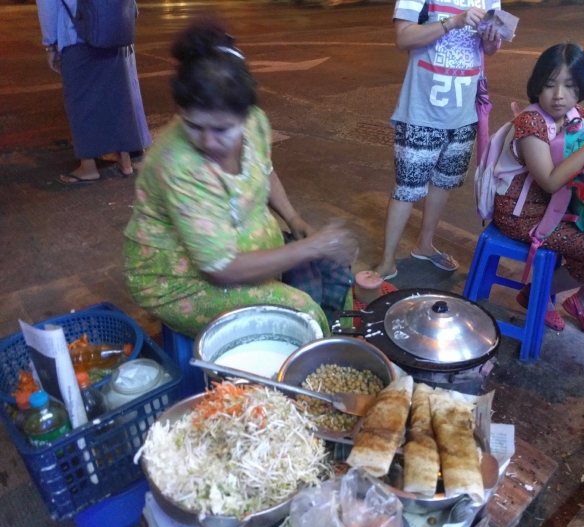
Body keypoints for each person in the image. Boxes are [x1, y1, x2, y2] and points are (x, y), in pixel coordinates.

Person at [122, 20, 358, 338]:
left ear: (246, 115)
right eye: (193, 125)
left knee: (333, 274)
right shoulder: (179, 164)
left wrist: (294, 217)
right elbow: (220, 269)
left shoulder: (255, 122)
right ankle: (305, 371)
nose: (207, 141)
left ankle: (341, 341)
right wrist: (312, 247)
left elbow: (263, 170)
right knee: (303, 315)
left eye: (222, 129)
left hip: (236, 243)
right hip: (179, 278)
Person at [492, 43, 584, 339]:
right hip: (524, 216)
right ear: (537, 86)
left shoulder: (575, 114)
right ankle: (536, 292)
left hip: (561, 209)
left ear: (581, 88)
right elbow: (549, 181)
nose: (559, 95)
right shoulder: (530, 122)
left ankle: (583, 302)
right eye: (549, 84)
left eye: (569, 86)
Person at [372, 0, 501, 280]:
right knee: (407, 188)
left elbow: (488, 50)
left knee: (443, 182)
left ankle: (424, 245)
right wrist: (452, 22)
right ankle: (387, 261)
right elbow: (403, 38)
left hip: (465, 113)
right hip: (421, 112)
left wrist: (491, 39)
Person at [37, 0, 150, 184]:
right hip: (114, 30)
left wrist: (50, 44)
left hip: (76, 34)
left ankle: (88, 167)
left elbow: (47, 5)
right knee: (117, 97)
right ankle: (125, 162)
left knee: (80, 101)